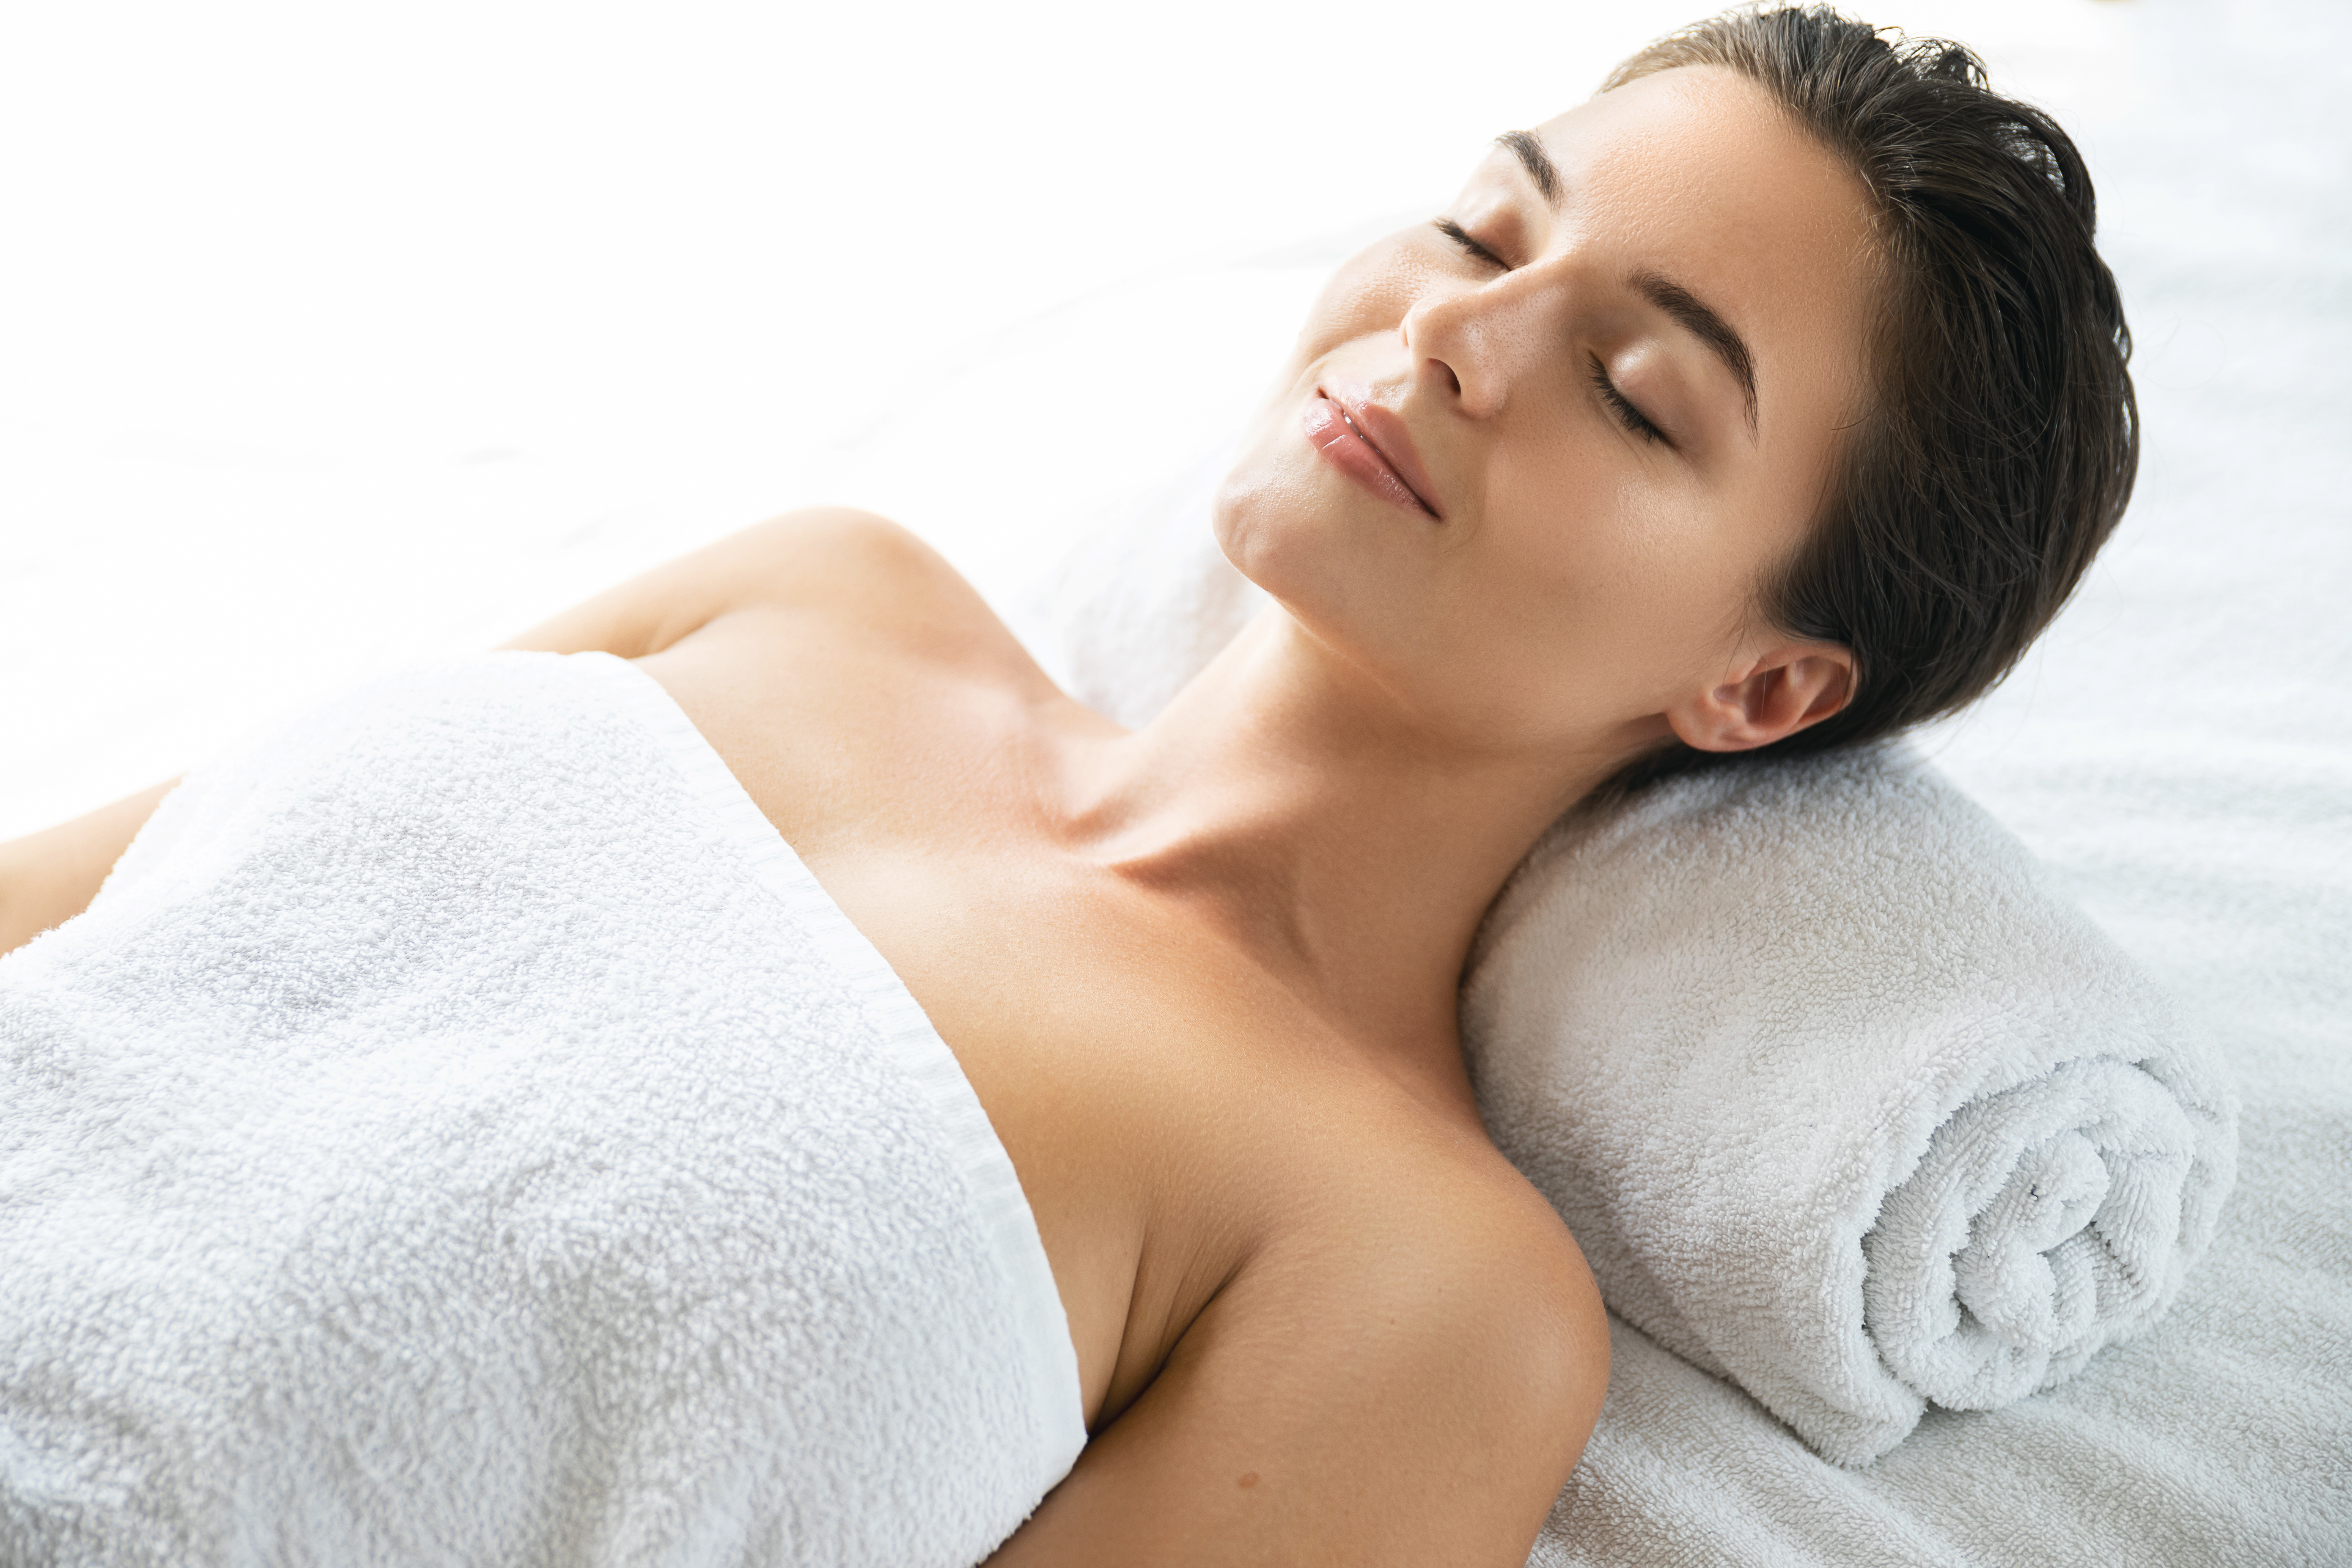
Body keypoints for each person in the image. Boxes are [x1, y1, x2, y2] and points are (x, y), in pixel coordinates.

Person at [0, 7, 2133, 1563]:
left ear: (1756, 681)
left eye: (1635, 389)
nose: (1455, 335)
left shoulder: (1416, 1276)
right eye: (1485, 231)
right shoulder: (820, 595)